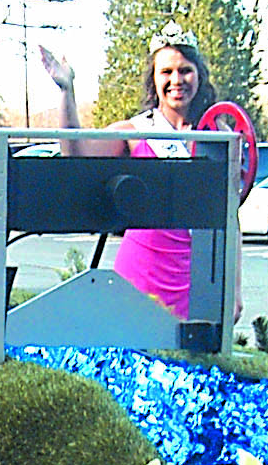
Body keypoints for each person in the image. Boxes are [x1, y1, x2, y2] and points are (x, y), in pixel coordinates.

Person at [42, 32, 220, 317]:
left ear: (199, 76)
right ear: (154, 80)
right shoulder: (135, 132)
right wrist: (67, 91)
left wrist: (233, 289)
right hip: (140, 275)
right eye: (166, 72)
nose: (177, 80)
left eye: (185, 70)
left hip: (197, 279)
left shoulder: (218, 136)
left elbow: (229, 215)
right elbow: (76, 154)